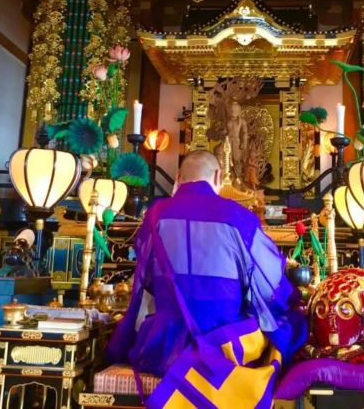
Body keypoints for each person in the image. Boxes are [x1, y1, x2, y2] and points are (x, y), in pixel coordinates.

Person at [106, 150, 306, 404]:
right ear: (219, 176)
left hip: (164, 346)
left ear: (178, 178)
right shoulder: (238, 217)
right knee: (289, 324)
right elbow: (270, 284)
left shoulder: (155, 216)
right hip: (226, 347)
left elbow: (145, 282)